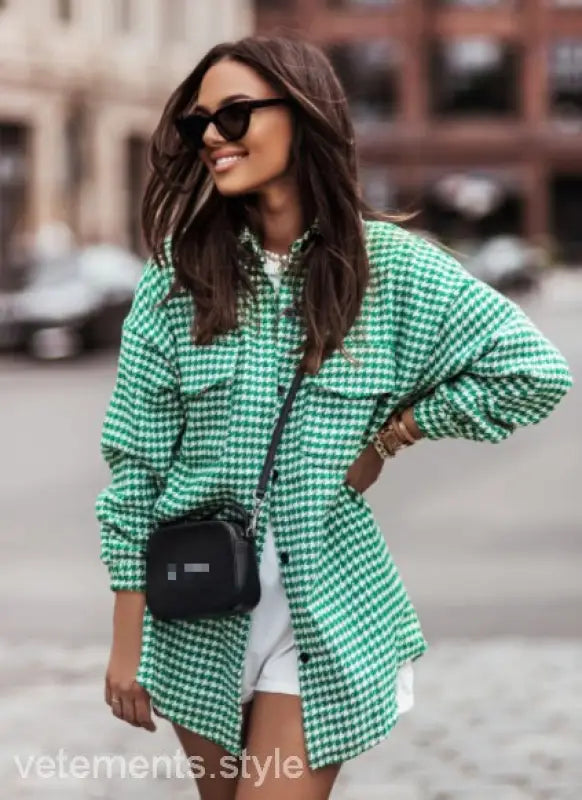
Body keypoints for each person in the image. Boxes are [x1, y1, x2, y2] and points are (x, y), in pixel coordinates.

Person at [95, 34, 574, 800]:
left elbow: (534, 373)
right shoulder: (178, 279)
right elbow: (136, 467)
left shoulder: (394, 269)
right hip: (196, 612)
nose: (213, 137)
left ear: (305, 113)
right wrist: (128, 642)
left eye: (236, 114)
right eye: (198, 124)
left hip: (324, 611)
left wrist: (395, 433)